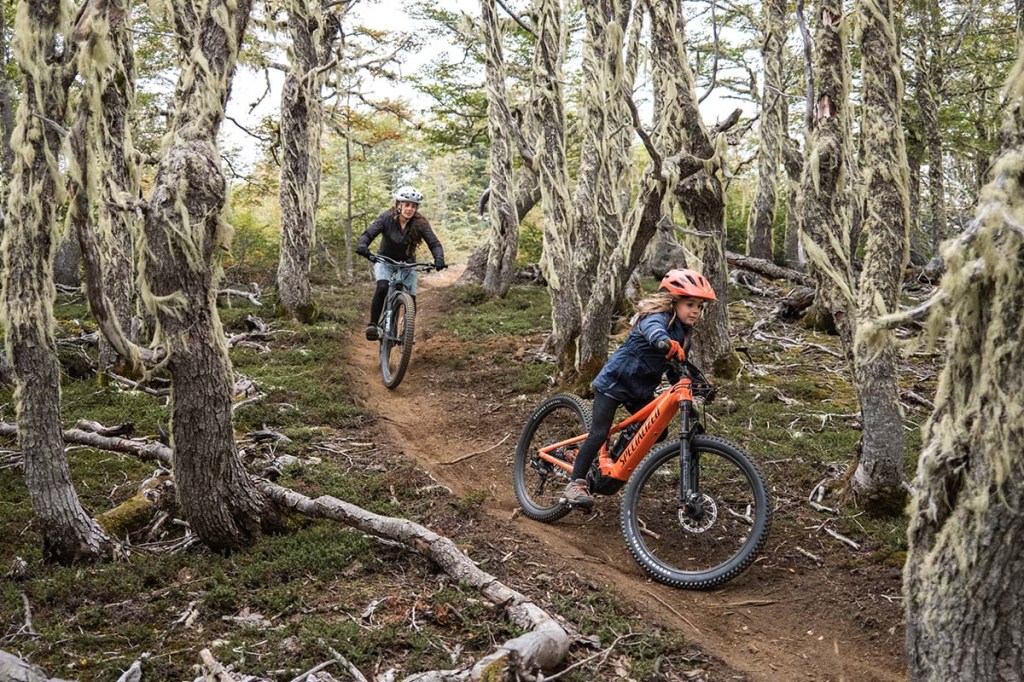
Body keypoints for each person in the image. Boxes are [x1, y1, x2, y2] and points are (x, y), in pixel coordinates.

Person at [563, 268, 718, 510]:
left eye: (700, 306)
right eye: (690, 304)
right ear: (674, 301)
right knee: (599, 433)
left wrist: (697, 383)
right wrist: (663, 341)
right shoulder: (657, 318)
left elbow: (674, 369)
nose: (696, 311)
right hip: (615, 383)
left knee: (659, 430)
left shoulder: (685, 334)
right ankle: (576, 483)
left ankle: (612, 459)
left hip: (640, 390)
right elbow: (653, 331)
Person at [356, 186, 446, 340]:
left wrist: (439, 259)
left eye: (413, 206)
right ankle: (373, 325)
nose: (410, 209)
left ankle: (407, 332)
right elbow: (369, 233)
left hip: (408, 263)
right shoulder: (386, 218)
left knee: (410, 297)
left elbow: (434, 243)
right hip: (385, 260)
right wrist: (363, 245)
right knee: (383, 286)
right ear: (399, 204)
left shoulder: (420, 223)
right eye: (406, 204)